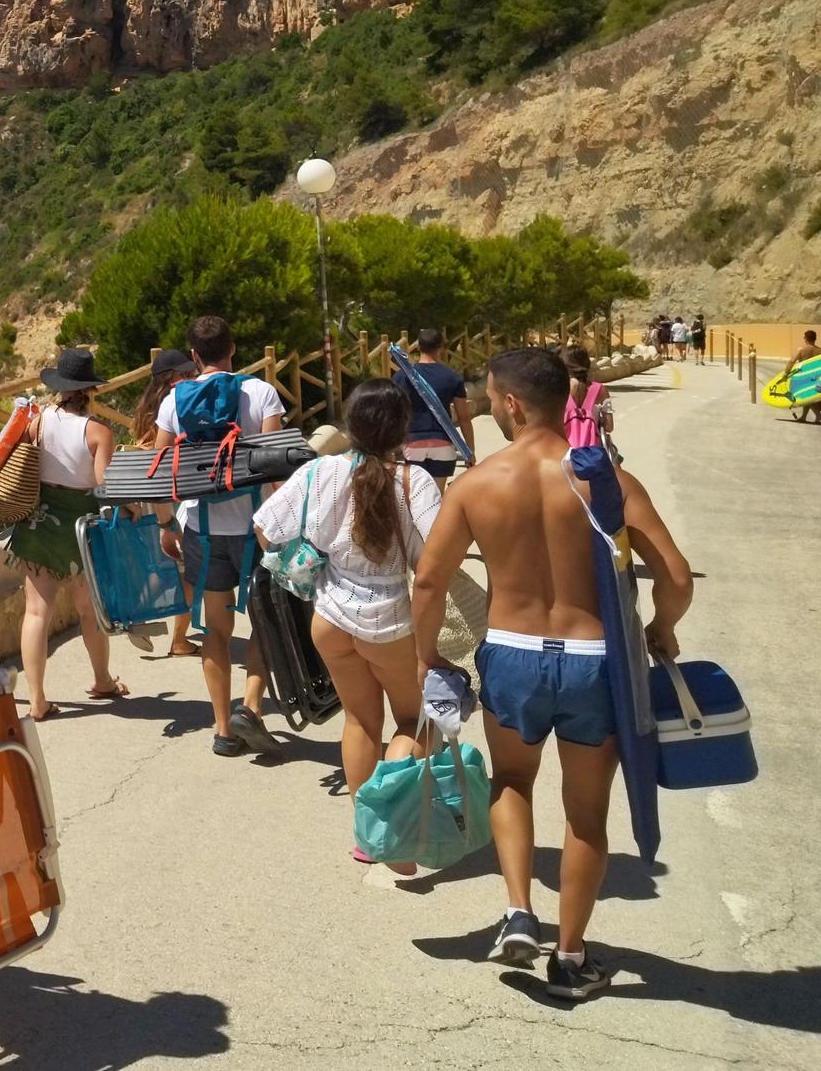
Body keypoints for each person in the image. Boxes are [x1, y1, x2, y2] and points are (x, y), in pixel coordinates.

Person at [412, 347, 692, 1001]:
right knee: (586, 815)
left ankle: (518, 912)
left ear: (512, 403)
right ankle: (570, 958)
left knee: (511, 780)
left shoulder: (476, 485)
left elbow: (428, 580)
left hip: (511, 655)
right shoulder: (606, 479)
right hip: (595, 664)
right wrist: (661, 629)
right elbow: (675, 577)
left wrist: (428, 656)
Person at [255, 379, 441, 873]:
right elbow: (433, 562)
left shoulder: (320, 472)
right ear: (401, 427)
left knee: (359, 721)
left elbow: (265, 528)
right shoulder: (414, 483)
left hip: (331, 617)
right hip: (390, 623)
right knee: (416, 722)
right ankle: (392, 830)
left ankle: (366, 834)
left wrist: (314, 550)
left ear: (350, 423)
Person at [148, 315, 287, 758]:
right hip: (258, 529)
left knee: (217, 630)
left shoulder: (173, 401)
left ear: (193, 356)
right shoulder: (261, 393)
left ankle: (224, 729)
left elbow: (159, 472)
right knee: (266, 620)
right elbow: (277, 469)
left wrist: (165, 524)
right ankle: (251, 705)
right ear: (234, 348)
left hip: (201, 530)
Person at [6, 346, 129, 718]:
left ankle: (38, 699)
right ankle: (102, 680)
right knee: (88, 611)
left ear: (60, 386)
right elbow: (104, 486)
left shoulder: (38, 421)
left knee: (36, 612)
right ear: (91, 389)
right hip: (81, 529)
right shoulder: (98, 432)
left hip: (40, 523)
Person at [126, 347, 202, 658]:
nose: (191, 376)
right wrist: (167, 521)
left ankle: (138, 618)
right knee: (186, 571)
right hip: (168, 500)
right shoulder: (174, 407)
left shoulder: (145, 409)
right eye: (185, 373)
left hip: (147, 498)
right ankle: (178, 639)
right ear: (170, 378)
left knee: (161, 567)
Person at [401, 327, 474, 493]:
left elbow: (395, 414)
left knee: (415, 498)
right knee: (436, 497)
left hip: (412, 444)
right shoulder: (452, 377)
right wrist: (469, 452)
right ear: (441, 347)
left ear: (418, 347)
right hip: (443, 445)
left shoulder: (402, 376)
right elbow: (464, 418)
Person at [560, 346, 616, 460]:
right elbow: (609, 427)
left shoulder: (560, 389)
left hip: (565, 452)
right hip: (593, 454)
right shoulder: (600, 389)